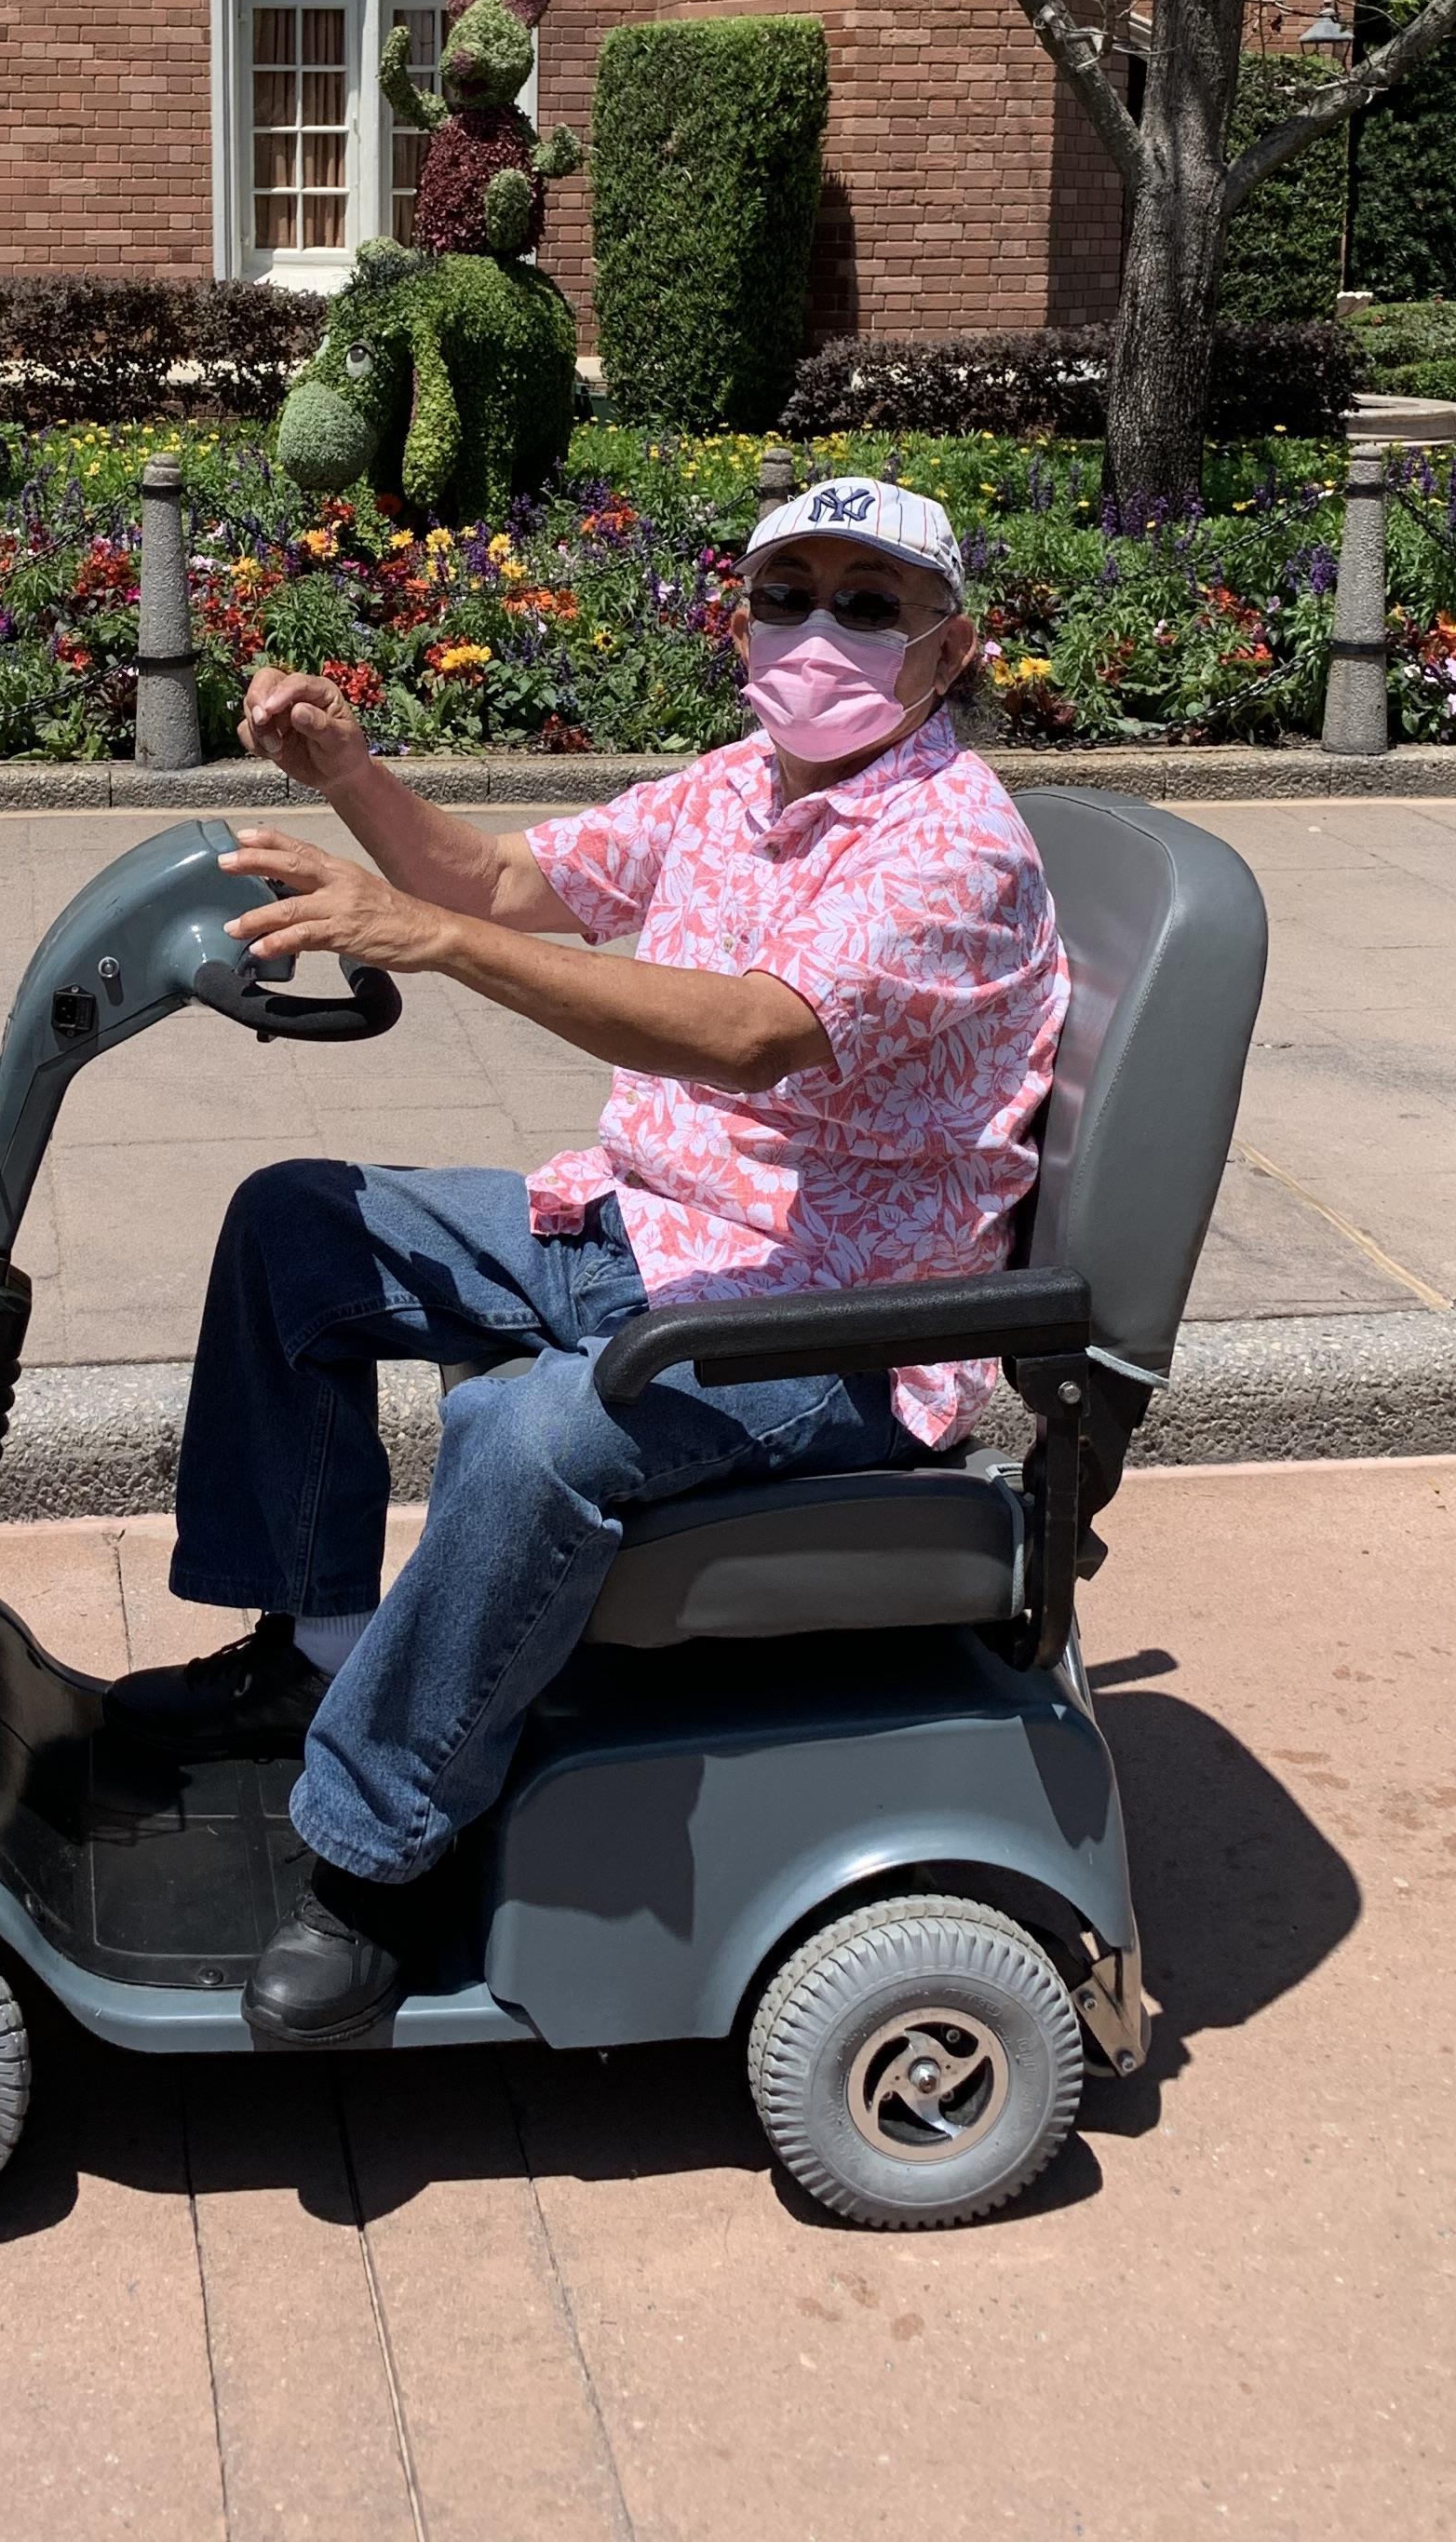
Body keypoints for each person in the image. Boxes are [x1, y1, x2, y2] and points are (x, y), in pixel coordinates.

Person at [104, 473, 1070, 2044]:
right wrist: (350, 774)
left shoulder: (952, 850)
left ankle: (374, 1855)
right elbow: (499, 883)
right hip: (643, 1232)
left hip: (821, 1323)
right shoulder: (736, 785)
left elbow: (746, 1031)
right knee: (299, 1229)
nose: (814, 632)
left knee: (525, 1429)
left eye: (866, 605)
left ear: (948, 648)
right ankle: (319, 1654)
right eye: (785, 596)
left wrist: (430, 942)